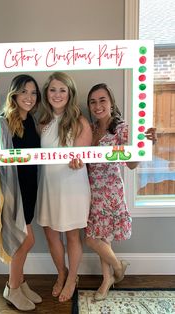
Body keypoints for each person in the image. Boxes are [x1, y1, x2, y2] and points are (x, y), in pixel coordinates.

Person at [69, 83, 157, 301]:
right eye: (93, 101)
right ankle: (111, 275)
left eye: (102, 100)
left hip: (110, 190)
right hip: (89, 188)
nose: (98, 105)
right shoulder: (90, 128)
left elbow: (132, 164)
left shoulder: (122, 129)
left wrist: (147, 145)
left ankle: (116, 270)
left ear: (111, 103)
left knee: (93, 238)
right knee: (101, 237)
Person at [0, 74, 42, 311]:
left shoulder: (31, 121)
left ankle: (19, 284)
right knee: (23, 241)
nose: (29, 97)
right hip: (12, 191)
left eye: (33, 93)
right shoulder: (2, 123)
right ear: (14, 94)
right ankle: (13, 288)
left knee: (25, 239)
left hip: (28, 189)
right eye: (24, 92)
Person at [35, 71, 93, 302]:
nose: (57, 94)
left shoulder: (80, 121)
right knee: (50, 235)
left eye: (62, 90)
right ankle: (62, 273)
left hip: (72, 187)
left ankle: (72, 279)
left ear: (70, 94)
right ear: (46, 93)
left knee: (72, 237)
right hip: (48, 186)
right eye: (52, 89)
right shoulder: (42, 122)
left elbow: (82, 157)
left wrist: (79, 161)